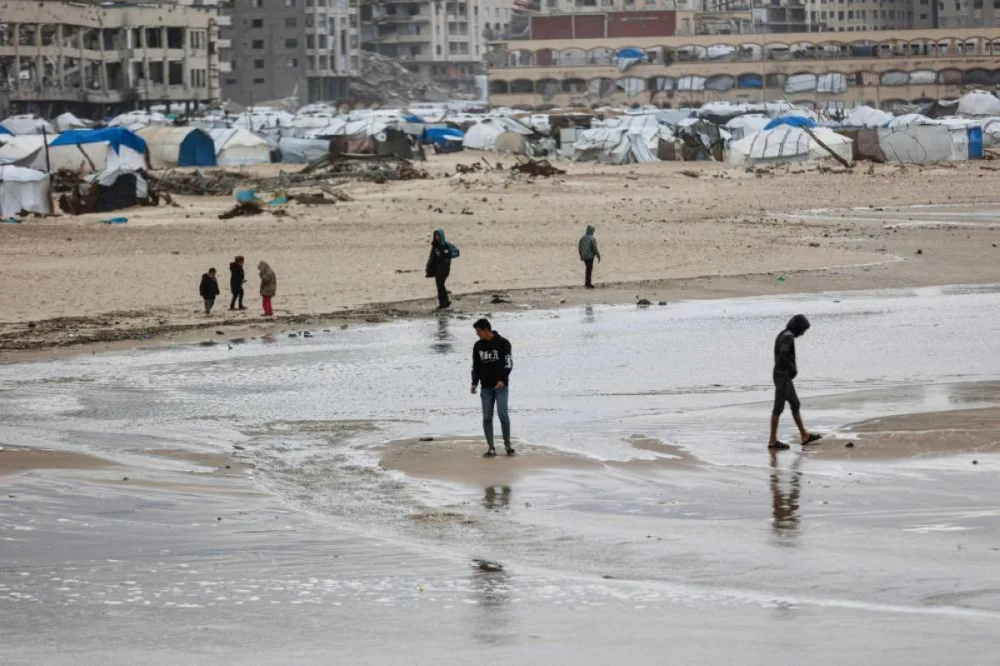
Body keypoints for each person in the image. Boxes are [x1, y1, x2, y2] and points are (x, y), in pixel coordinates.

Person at [769, 314, 823, 450]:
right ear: (798, 327)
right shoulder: (787, 337)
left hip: (782, 376)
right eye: (803, 330)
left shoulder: (784, 334)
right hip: (783, 377)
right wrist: (791, 368)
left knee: (795, 404)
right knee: (778, 407)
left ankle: (804, 435)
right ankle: (772, 441)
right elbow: (783, 356)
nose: (803, 333)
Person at [471, 318, 514, 457]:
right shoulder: (478, 346)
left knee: (503, 415)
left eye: (478, 331)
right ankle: (491, 448)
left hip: (501, 386)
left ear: (486, 330)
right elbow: (476, 366)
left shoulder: (503, 343)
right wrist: (474, 382)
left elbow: (509, 363)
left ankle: (507, 445)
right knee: (487, 418)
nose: (477, 334)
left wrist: (503, 379)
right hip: (486, 388)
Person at [426, 228, 459, 310]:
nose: (437, 237)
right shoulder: (435, 246)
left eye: (438, 235)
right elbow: (431, 257)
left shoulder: (447, 245)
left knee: (441, 284)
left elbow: (456, 251)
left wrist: (450, 255)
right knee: (439, 285)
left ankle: (445, 302)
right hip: (437, 268)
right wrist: (428, 266)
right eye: (435, 235)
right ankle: (443, 302)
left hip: (445, 268)